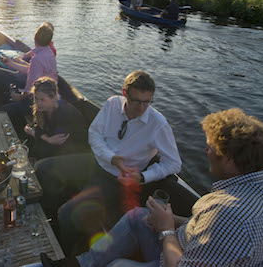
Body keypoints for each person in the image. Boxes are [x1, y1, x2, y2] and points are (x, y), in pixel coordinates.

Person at [41, 108, 263, 267]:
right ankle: (81, 263)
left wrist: (166, 230)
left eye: (211, 148)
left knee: (118, 265)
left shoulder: (228, 212)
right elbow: (210, 230)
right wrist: (171, 219)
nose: (205, 151)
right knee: (138, 215)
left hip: (177, 259)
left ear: (228, 159)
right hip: (189, 245)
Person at [57, 70, 182, 255]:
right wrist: (111, 157)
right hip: (96, 161)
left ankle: (66, 256)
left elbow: (174, 163)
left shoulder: (158, 124)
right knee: (43, 170)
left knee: (66, 213)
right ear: (124, 94)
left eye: (147, 102)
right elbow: (94, 134)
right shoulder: (112, 104)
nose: (141, 108)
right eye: (136, 101)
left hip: (115, 178)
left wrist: (142, 177)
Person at [0, 23, 58, 132]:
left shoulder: (38, 59)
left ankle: (11, 133)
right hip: (44, 95)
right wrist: (10, 63)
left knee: (4, 109)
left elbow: (31, 88)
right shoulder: (48, 52)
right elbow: (32, 70)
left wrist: (20, 97)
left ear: (35, 38)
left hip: (37, 100)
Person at [23, 76, 89, 160]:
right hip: (58, 144)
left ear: (54, 97)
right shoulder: (44, 109)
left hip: (75, 151)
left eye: (42, 100)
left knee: (39, 150)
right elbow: (40, 129)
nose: (38, 103)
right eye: (36, 98)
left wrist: (34, 133)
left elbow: (57, 141)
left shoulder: (64, 114)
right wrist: (46, 138)